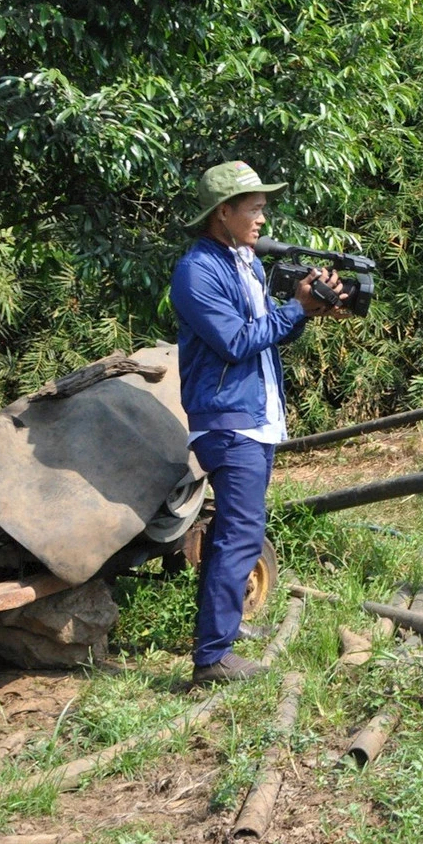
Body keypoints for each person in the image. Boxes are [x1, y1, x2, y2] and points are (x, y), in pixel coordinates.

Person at [173, 161, 345, 684]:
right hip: (228, 423)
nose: (262, 219)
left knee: (236, 530)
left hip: (252, 418)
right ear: (223, 212)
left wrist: (311, 308)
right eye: (254, 208)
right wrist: (296, 309)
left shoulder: (242, 262)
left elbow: (266, 331)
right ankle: (211, 659)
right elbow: (235, 341)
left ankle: (220, 636)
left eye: (263, 208)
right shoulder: (197, 271)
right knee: (240, 533)